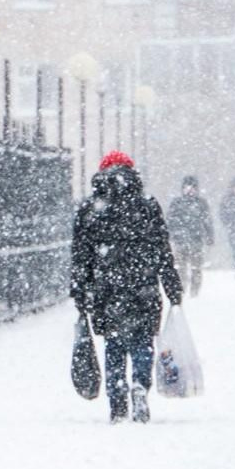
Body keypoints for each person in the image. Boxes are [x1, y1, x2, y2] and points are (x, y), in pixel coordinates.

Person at [70, 151, 185, 424]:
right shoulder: (147, 204)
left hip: (107, 286)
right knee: (143, 340)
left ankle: (117, 395)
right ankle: (140, 386)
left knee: (114, 342)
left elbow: (81, 254)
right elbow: (162, 249)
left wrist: (80, 288)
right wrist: (171, 284)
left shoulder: (91, 208)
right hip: (143, 284)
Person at [165, 174, 214, 297]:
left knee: (196, 268)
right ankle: (182, 290)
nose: (190, 190)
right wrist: (170, 234)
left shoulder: (201, 203)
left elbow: (207, 220)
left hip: (196, 241)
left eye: (192, 187)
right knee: (180, 268)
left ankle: (194, 292)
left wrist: (209, 235)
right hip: (180, 241)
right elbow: (170, 220)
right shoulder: (176, 203)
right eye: (187, 187)